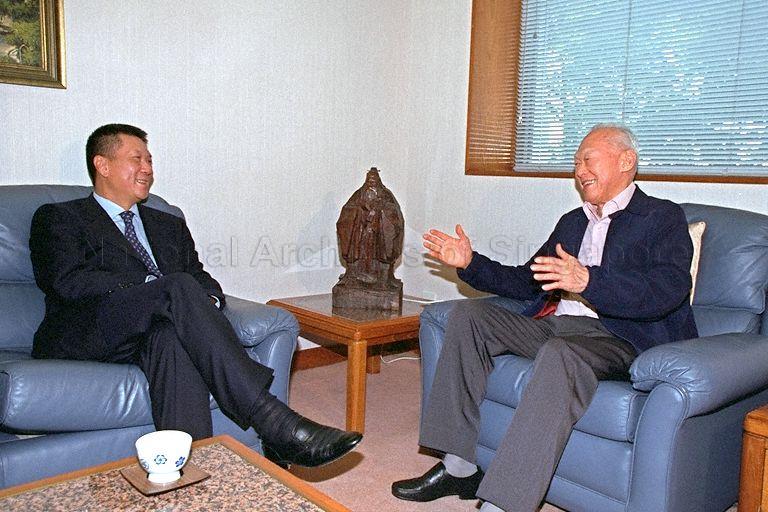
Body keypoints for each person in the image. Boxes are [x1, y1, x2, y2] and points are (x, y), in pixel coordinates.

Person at [391, 124, 698, 511]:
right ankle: (459, 467)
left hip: (620, 336)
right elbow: (525, 280)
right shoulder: (573, 221)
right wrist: (470, 263)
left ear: (626, 161)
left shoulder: (661, 218)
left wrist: (589, 280)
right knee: (469, 317)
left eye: (587, 159)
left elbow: (667, 289)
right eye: (575, 163)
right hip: (556, 324)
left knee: (561, 351)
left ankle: (504, 502)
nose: (579, 170)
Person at [29, 123, 362, 468]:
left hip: (155, 330)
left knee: (170, 336)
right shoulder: (61, 217)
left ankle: (189, 471)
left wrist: (206, 303)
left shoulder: (166, 223)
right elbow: (66, 282)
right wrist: (151, 288)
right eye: (137, 159)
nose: (147, 169)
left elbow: (201, 279)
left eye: (150, 160)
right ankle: (273, 420)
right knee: (175, 286)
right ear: (103, 165)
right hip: (90, 331)